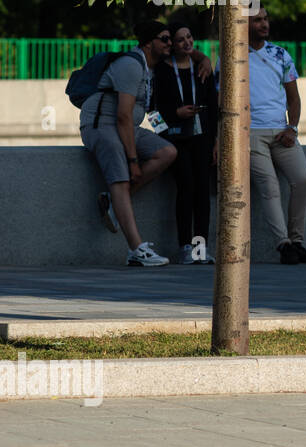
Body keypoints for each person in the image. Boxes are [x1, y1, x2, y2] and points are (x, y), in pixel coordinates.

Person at [82, 20, 178, 266]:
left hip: (126, 127)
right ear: (148, 43)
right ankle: (136, 250)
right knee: (122, 176)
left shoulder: (150, 67)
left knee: (166, 151)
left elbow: (139, 114)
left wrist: (204, 58)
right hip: (102, 125)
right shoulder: (131, 66)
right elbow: (123, 116)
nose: (170, 43)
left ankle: (113, 201)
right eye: (164, 39)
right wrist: (133, 160)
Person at [247, 7, 306, 265]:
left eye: (265, 19)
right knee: (270, 187)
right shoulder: (233, 56)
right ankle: (283, 244)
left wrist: (293, 127)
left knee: (304, 179)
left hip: (282, 131)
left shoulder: (280, 54)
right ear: (244, 25)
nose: (263, 24)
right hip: (252, 133)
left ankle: (297, 241)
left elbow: (293, 97)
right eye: (257, 20)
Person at [151, 21, 218, 264]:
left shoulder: (201, 67)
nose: (187, 42)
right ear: (172, 44)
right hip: (175, 139)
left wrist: (216, 141)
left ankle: (201, 250)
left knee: (202, 191)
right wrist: (170, 122)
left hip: (201, 137)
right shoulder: (160, 71)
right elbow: (152, 112)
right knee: (186, 187)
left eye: (189, 37)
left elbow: (213, 107)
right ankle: (184, 247)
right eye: (180, 39)